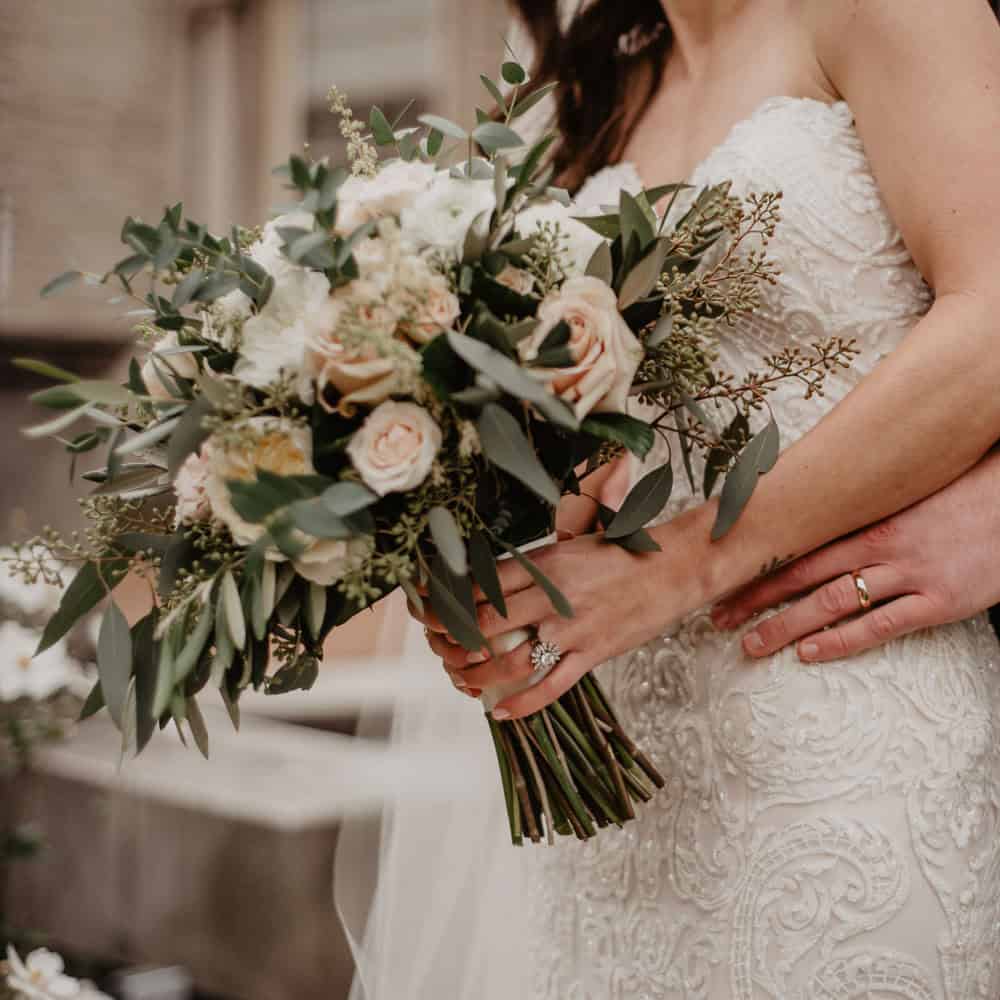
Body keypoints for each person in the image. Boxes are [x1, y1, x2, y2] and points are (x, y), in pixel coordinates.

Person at [397, 1, 1000, 997]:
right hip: (618, 793)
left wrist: (692, 557)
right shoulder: (588, 74)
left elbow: (991, 323)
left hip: (840, 728)